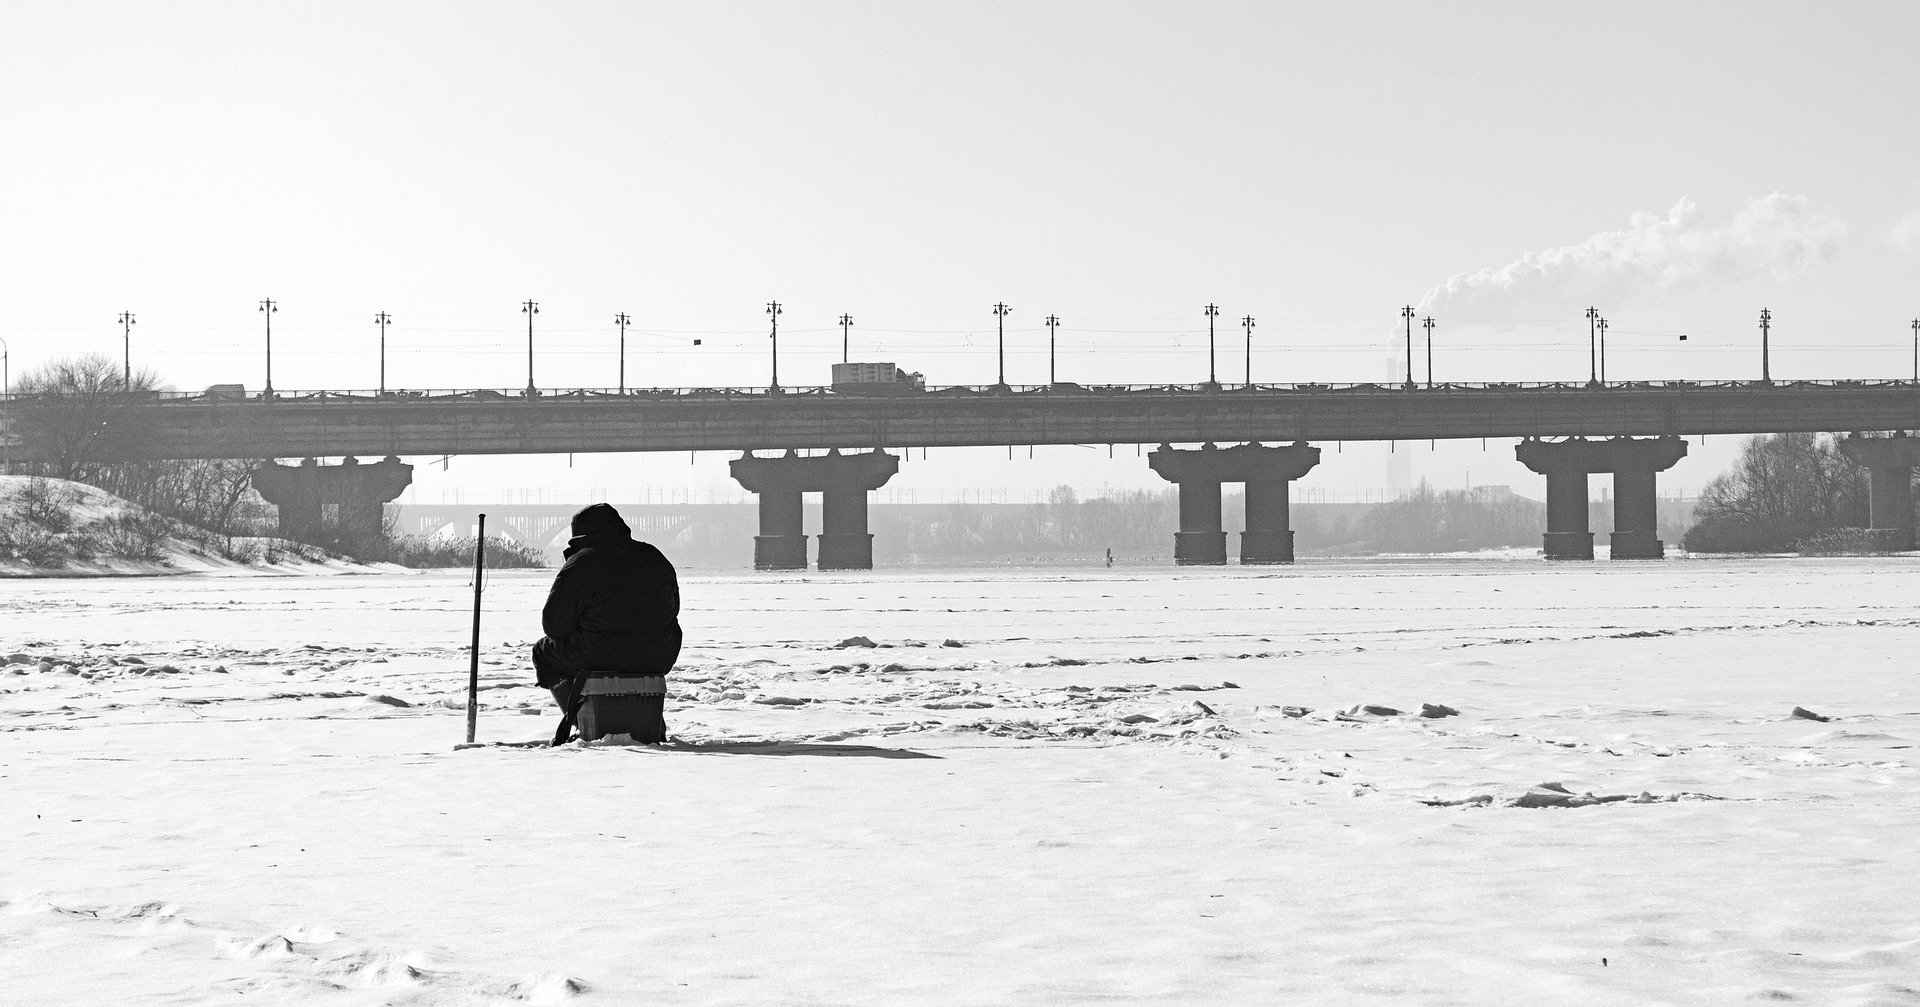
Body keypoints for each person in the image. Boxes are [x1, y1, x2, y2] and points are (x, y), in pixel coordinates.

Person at [534, 503, 682, 741]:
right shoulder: (654, 556)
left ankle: (582, 722)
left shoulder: (580, 563)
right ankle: (651, 725)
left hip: (599, 654)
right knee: (635, 660)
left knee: (544, 653)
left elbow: (554, 626)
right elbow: (673, 608)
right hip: (659, 654)